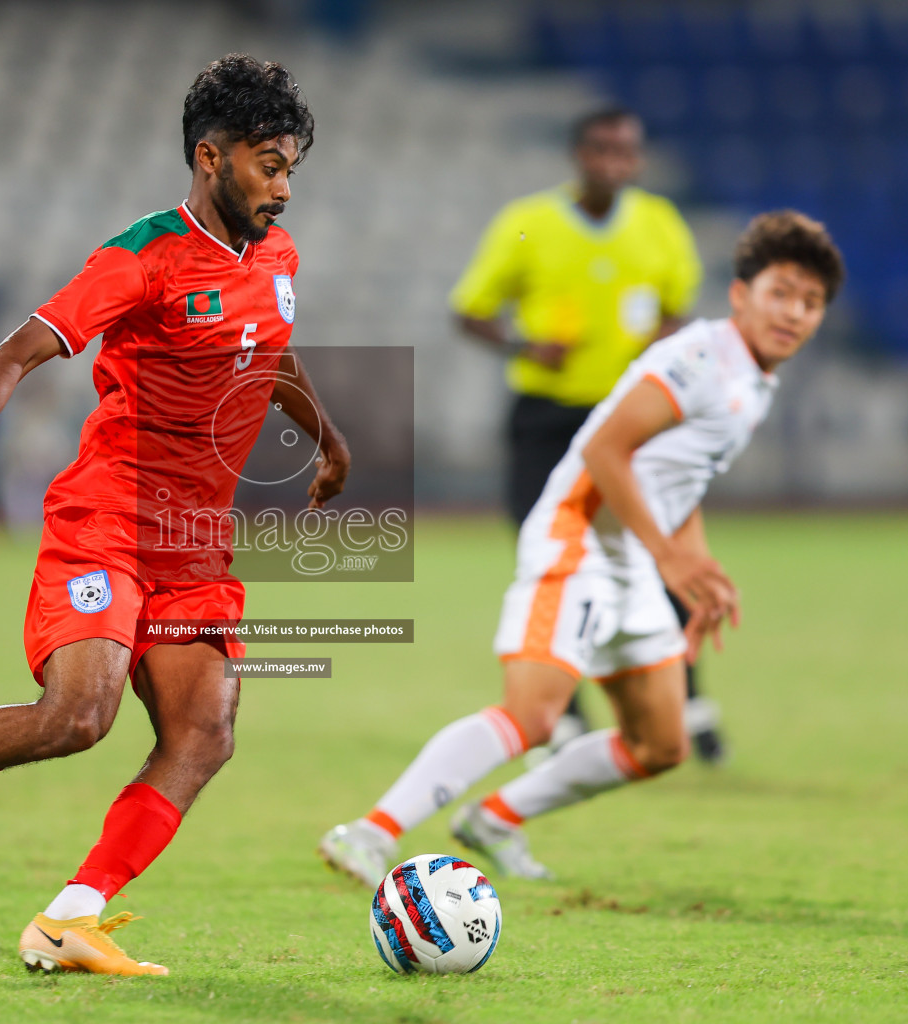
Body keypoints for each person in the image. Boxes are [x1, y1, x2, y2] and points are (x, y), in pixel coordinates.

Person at [0, 55, 349, 977]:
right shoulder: (141, 259)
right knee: (77, 717)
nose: (284, 188)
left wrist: (328, 439)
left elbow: (270, 352)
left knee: (204, 734)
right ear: (211, 158)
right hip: (109, 519)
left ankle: (68, 918)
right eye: (269, 167)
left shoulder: (275, 256)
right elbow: (14, 353)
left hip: (194, 543)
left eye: (291, 168)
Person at [321, 211, 843, 884]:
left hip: (630, 556)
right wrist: (668, 556)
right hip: (580, 537)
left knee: (661, 743)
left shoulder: (754, 378)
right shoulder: (702, 358)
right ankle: (369, 832)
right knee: (533, 715)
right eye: (781, 292)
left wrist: (696, 562)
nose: (794, 313)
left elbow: (676, 478)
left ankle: (496, 818)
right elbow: (605, 450)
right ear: (741, 294)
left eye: (811, 302)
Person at [450, 107, 727, 762]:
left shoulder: (659, 225)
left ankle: (689, 704)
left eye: (625, 151)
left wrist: (658, 351)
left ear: (637, 159)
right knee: (545, 556)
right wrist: (524, 343)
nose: (612, 162)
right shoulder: (528, 224)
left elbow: (677, 312)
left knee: (658, 551)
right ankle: (561, 713)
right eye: (601, 148)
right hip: (547, 416)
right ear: (578, 153)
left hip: (629, 421)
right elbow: (471, 311)